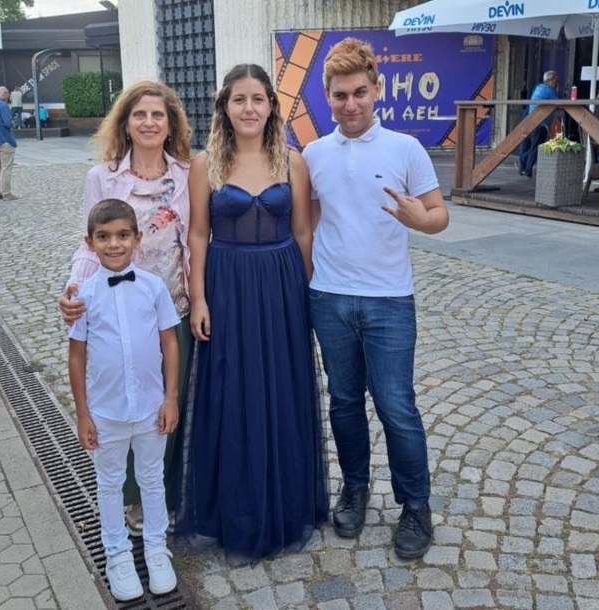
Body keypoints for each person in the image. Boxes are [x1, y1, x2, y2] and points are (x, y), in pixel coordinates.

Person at [302, 38, 449, 560]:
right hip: (330, 297)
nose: (351, 104)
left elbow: (439, 215)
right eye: (340, 95)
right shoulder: (313, 155)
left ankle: (415, 505)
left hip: (389, 300)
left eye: (360, 92)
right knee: (344, 401)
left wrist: (419, 219)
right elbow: (308, 225)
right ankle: (355, 488)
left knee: (396, 406)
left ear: (377, 89)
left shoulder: (405, 149)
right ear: (327, 96)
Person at [175, 63, 328, 562]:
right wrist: (199, 299)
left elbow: (303, 231)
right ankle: (234, 509)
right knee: (232, 390)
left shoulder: (293, 162)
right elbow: (198, 235)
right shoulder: (205, 165)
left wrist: (307, 294)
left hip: (282, 285)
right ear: (225, 107)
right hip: (228, 286)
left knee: (282, 388)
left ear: (271, 107)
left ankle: (286, 502)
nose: (249, 108)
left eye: (257, 99)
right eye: (239, 99)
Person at [58, 79, 193, 537]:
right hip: (115, 311)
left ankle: (163, 491)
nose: (149, 122)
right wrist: (74, 289)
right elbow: (88, 242)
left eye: (158, 115)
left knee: (165, 403)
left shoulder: (189, 174)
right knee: (121, 401)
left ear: (171, 124)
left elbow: (195, 241)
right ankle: (132, 497)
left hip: (171, 307)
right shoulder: (103, 177)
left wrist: (200, 299)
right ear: (126, 123)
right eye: (140, 114)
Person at [68, 198, 180, 600]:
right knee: (110, 482)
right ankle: (116, 552)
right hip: (107, 412)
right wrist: (83, 414)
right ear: (90, 242)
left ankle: (155, 547)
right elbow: (77, 355)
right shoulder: (84, 295)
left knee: (151, 479)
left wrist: (170, 398)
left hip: (151, 408)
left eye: (122, 235)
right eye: (103, 237)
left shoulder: (153, 287)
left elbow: (169, 342)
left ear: (137, 238)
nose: (113, 244)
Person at [515, 70, 560, 178]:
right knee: (535, 148)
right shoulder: (550, 90)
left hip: (531, 121)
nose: (557, 83)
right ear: (550, 80)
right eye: (556, 81)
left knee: (531, 146)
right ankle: (526, 168)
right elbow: (559, 103)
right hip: (541, 123)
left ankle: (523, 164)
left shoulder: (539, 87)